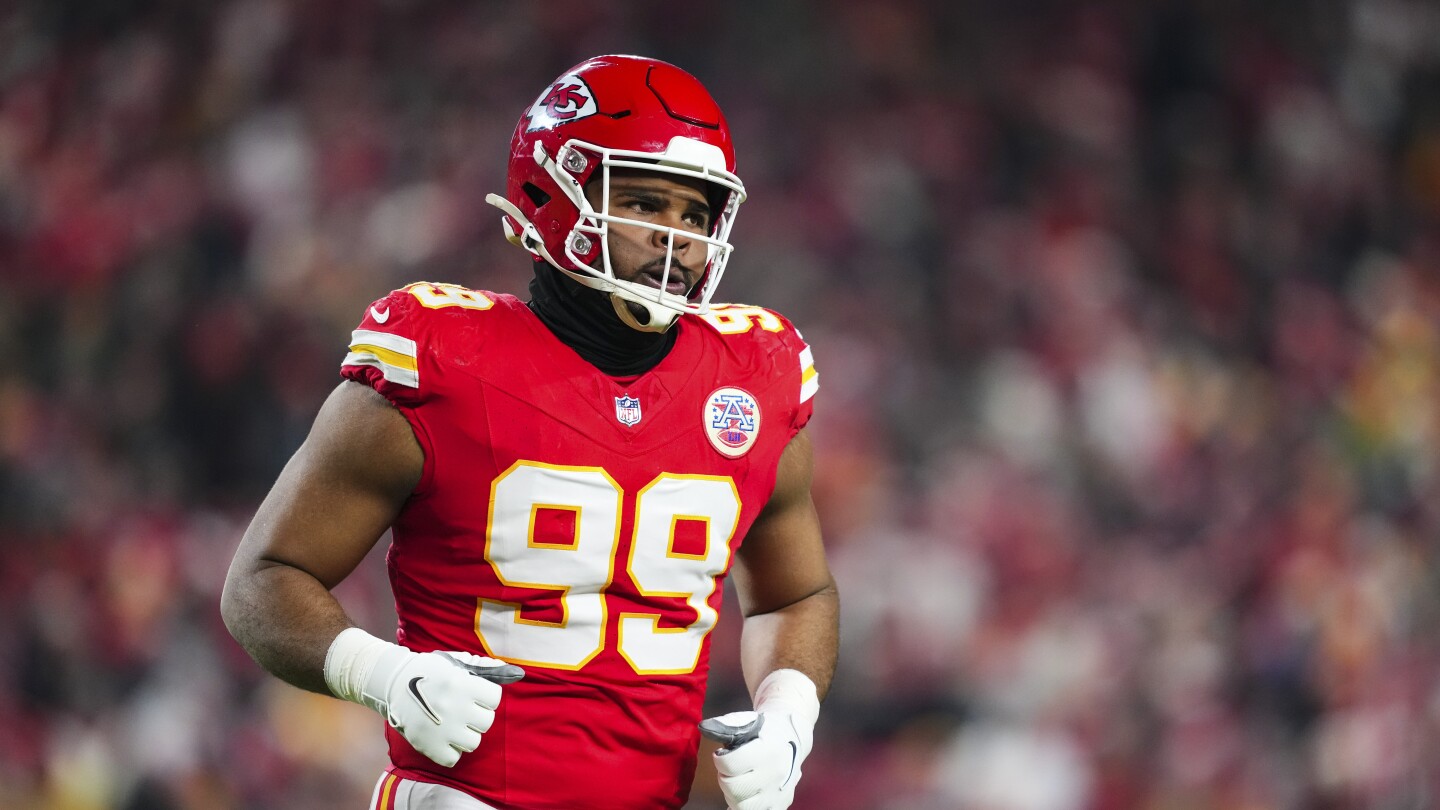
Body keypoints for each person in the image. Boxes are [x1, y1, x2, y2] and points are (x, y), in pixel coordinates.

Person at [221, 54, 838, 810]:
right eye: (644, 203)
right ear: (552, 196)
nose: (675, 238)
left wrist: (789, 714)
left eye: (694, 215)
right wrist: (382, 675)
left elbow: (794, 595)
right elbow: (263, 580)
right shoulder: (444, 361)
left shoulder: (756, 376)